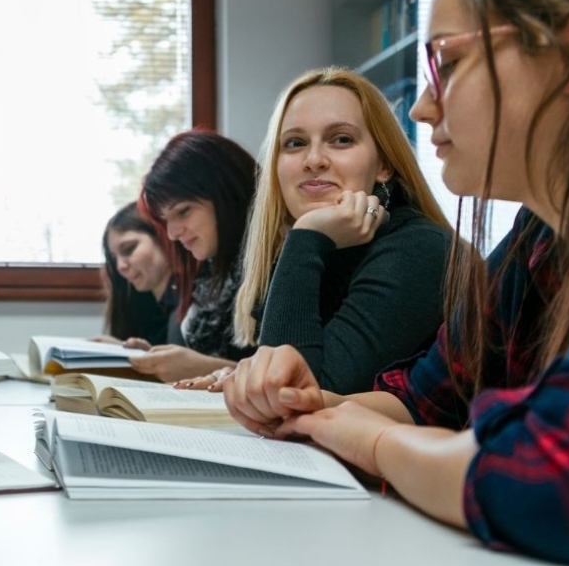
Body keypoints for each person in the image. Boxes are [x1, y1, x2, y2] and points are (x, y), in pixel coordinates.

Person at [222, 0, 569, 564]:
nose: (424, 107)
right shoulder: (543, 235)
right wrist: (311, 407)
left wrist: (372, 442)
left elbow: (565, 481)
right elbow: (425, 396)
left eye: (448, 64)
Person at [179, 68, 455, 394]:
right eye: (295, 143)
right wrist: (240, 373)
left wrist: (307, 235)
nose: (313, 160)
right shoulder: (323, 251)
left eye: (341, 139)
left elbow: (292, 394)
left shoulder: (418, 249)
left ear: (384, 165)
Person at [131, 129, 258, 382]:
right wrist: (154, 358)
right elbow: (190, 357)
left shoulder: (279, 264)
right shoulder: (209, 269)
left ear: (225, 193)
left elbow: (299, 382)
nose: (172, 233)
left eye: (183, 211)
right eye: (165, 220)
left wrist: (204, 368)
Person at [97, 201, 176, 347]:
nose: (120, 266)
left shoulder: (197, 307)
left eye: (129, 249)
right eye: (114, 259)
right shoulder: (139, 308)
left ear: (163, 236)